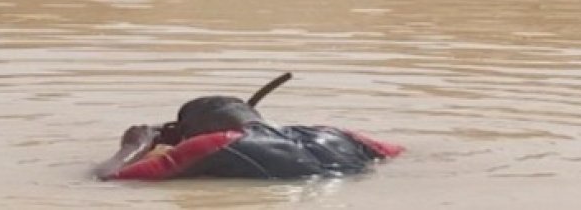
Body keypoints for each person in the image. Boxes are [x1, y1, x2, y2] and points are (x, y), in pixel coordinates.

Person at [95, 95, 403, 180]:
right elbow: (399, 153)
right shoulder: (337, 133)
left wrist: (134, 145)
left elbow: (110, 177)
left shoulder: (214, 143)